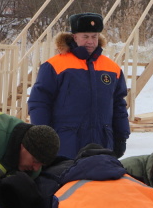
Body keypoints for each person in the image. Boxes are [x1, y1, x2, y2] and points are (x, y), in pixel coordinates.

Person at [28, 12, 130, 159]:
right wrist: (43, 138)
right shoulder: (55, 66)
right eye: (85, 36)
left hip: (101, 144)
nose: (91, 41)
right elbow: (39, 103)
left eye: (94, 37)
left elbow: (119, 104)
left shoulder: (111, 68)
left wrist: (121, 136)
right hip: (65, 145)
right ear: (74, 37)